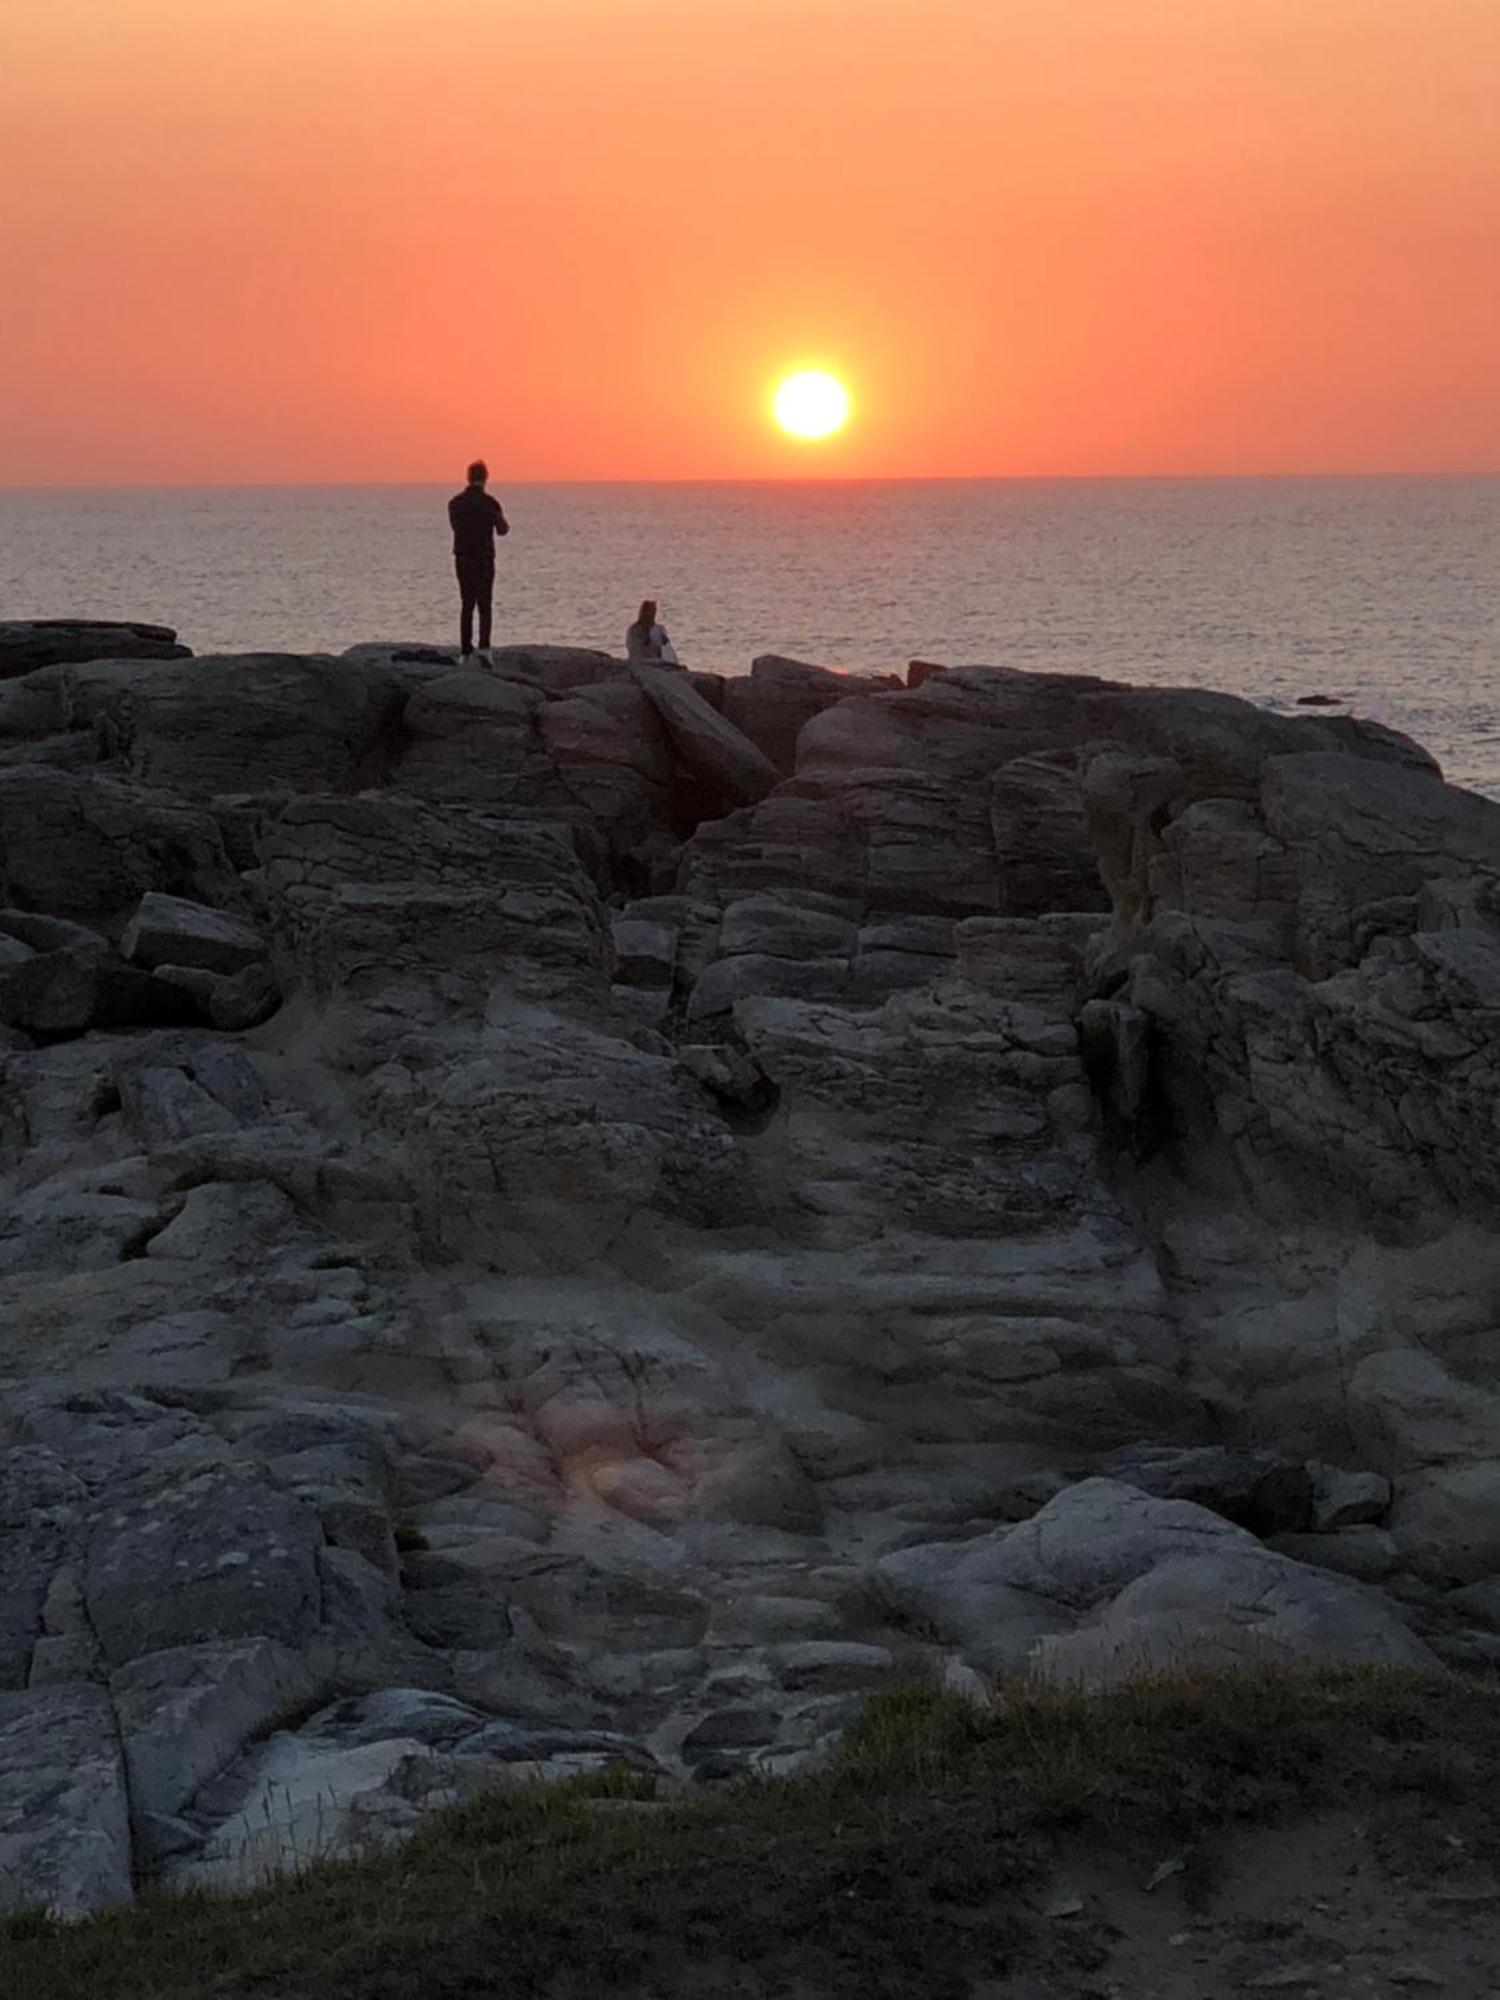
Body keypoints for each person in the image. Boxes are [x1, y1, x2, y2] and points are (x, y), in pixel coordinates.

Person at [447, 460, 509, 659]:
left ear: (468, 477)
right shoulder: (490, 503)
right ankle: (484, 648)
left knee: (467, 603)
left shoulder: (455, 503)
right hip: (484, 558)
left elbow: (455, 527)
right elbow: (502, 530)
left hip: (463, 557)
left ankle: (465, 650)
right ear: (485, 478)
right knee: (485, 603)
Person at [625, 599, 680, 666]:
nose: (652, 614)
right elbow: (635, 652)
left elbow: (667, 651)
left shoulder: (659, 629)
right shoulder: (634, 630)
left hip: (657, 661)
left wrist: (665, 642)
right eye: (649, 611)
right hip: (641, 662)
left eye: (654, 611)